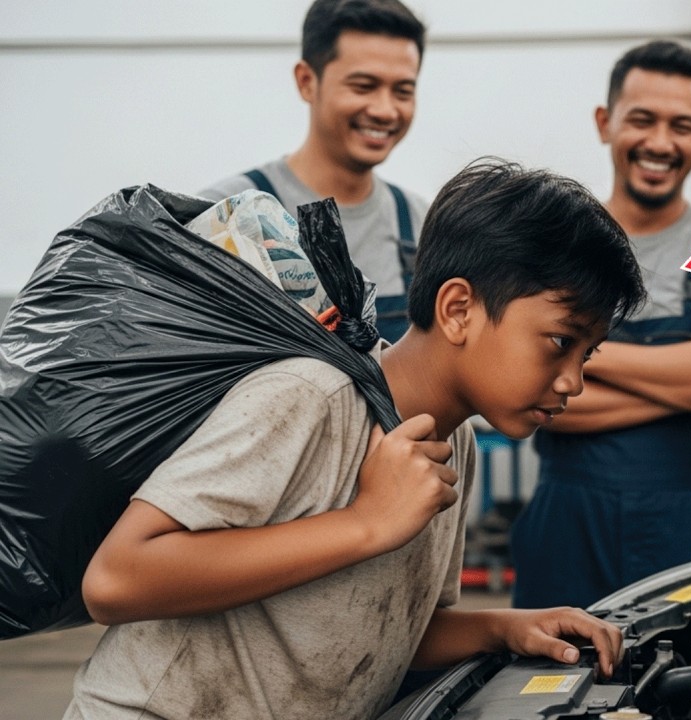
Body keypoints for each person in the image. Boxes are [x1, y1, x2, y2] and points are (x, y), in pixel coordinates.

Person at [66, 159, 644, 719]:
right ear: (459, 309)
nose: (574, 380)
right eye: (559, 342)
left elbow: (387, 631)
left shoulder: (453, 443)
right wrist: (366, 522)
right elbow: (116, 580)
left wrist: (505, 627)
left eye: (587, 353)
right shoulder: (312, 396)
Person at [511, 40, 691, 610]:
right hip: (567, 531)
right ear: (605, 123)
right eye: (642, 120)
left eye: (681, 126)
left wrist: (577, 350)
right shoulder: (554, 244)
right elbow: (526, 390)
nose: (661, 143)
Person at [201, 0, 429, 341]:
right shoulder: (225, 217)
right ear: (307, 81)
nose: (385, 110)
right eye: (363, 86)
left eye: (403, 91)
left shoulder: (423, 225)